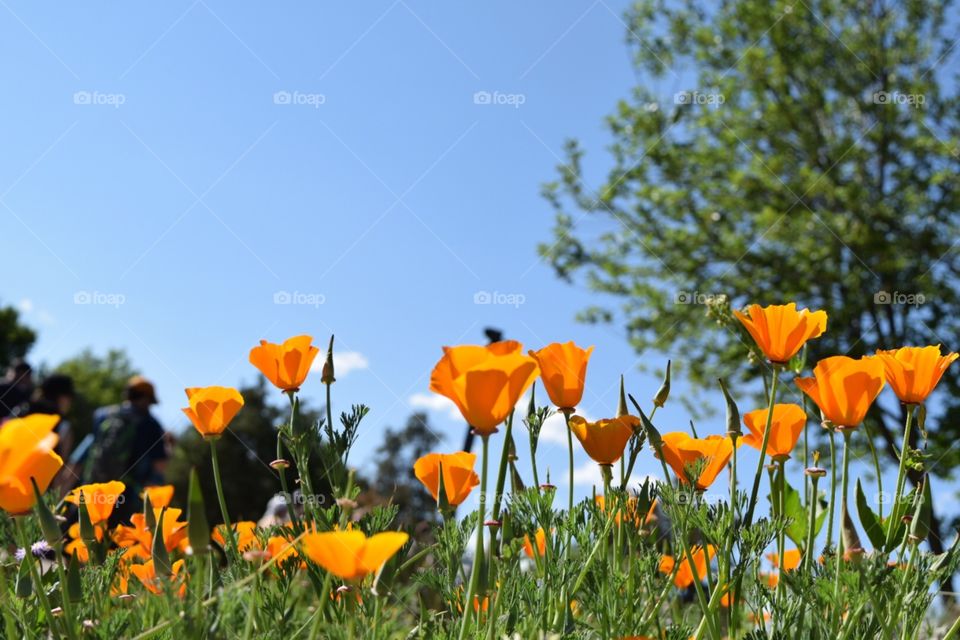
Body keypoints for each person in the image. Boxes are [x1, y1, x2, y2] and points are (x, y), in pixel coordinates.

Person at [77, 376, 169, 524]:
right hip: (127, 495)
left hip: (93, 488)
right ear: (147, 399)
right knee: (118, 542)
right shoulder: (151, 424)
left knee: (85, 536)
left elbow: (87, 450)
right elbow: (159, 465)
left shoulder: (102, 415)